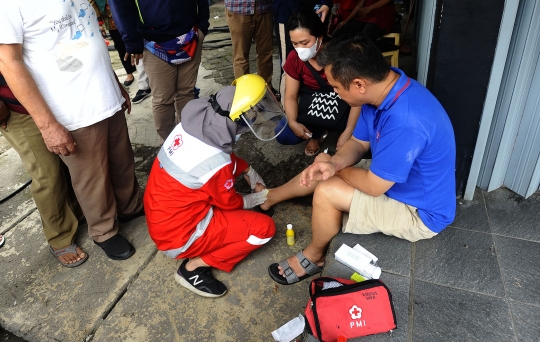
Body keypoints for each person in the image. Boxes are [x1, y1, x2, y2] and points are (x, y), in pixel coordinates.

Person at [261, 34, 456, 285]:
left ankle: (316, 257)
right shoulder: (382, 90)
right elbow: (358, 142)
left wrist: (336, 169)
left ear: (358, 84)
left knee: (326, 190)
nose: (334, 92)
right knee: (324, 167)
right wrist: (332, 163)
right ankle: (271, 196)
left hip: (420, 212)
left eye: (336, 88)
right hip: (400, 181)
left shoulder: (405, 121)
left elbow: (375, 186)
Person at [0, 0, 144, 261]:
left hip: (104, 93)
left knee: (122, 161)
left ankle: (131, 207)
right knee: (91, 176)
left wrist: (114, 83)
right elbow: (8, 62)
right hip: (71, 107)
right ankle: (104, 231)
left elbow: (87, 34)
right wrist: (47, 125)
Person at [144, 75, 283, 297]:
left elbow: (216, 163)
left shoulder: (189, 127)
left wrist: (247, 169)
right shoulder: (215, 163)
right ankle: (194, 267)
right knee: (264, 229)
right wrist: (257, 198)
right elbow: (230, 202)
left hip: (165, 218)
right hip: (182, 236)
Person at [0, 76, 86, 267]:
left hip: (49, 97)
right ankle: (59, 237)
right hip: (15, 108)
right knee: (47, 175)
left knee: (67, 161)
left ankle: (74, 211)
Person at [109, 0, 209, 142]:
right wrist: (132, 42)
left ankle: (188, 140)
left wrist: (203, 25)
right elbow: (121, 6)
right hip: (153, 42)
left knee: (187, 92)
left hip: (190, 37)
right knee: (163, 99)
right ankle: (170, 146)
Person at [275, 11, 361, 156]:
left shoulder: (341, 55)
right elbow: (290, 95)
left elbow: (358, 99)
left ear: (320, 38)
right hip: (314, 103)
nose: (300, 49)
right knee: (284, 134)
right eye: (295, 43)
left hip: (344, 104)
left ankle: (339, 130)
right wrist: (292, 121)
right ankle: (316, 135)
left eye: (305, 43)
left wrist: (349, 130)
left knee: (364, 141)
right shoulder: (294, 58)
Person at [224, 0, 280, 100]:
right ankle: (244, 93)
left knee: (265, 53)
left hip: (263, 8)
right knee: (240, 56)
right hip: (239, 9)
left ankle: (265, 89)